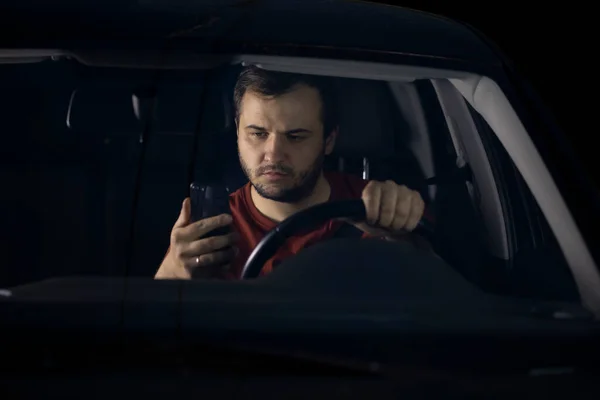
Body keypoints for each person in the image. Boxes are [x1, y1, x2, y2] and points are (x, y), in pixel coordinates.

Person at [155, 66, 434, 280]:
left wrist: (405, 243)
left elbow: (447, 309)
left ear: (329, 141)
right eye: (258, 134)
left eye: (296, 136)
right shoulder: (209, 233)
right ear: (238, 133)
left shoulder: (383, 209)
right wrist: (171, 273)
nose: (273, 154)